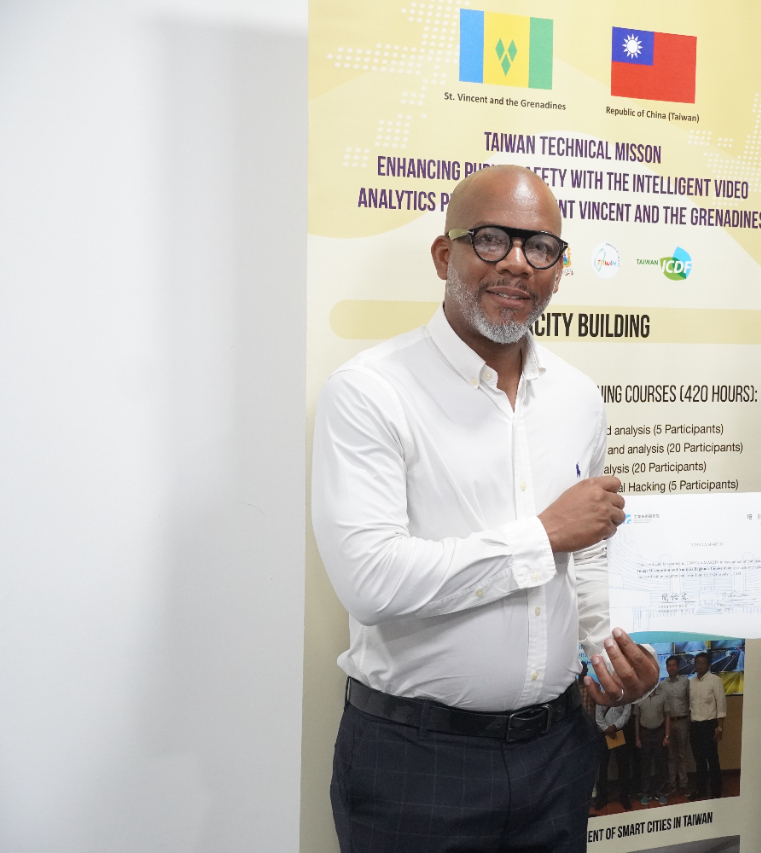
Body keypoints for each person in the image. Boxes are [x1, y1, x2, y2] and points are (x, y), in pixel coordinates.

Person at [312, 164, 660, 853]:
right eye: (493, 240)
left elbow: (588, 554)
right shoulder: (370, 391)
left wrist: (611, 661)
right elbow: (371, 582)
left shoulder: (578, 397)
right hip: (415, 759)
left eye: (541, 247)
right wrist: (542, 535)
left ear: (558, 270)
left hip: (558, 752)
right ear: (446, 255)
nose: (518, 263)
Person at [687, 652, 726, 800]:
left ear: (708, 664)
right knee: (699, 761)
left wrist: (720, 727)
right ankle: (700, 790)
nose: (700, 665)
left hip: (709, 726)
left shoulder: (715, 680)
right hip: (695, 726)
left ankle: (716, 792)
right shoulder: (691, 682)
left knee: (713, 760)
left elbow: (721, 704)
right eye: (697, 662)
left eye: (703, 662)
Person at [633, 681, 671, 805]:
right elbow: (636, 718)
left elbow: (667, 716)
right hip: (644, 734)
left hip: (659, 733)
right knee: (645, 764)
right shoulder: (639, 696)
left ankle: (659, 791)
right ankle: (646, 792)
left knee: (661, 763)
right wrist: (637, 738)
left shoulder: (663, 695)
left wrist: (667, 736)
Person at [661, 655, 693, 795]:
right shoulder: (662, 685)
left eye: (674, 665)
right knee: (670, 756)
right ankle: (672, 783)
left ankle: (684, 784)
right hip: (668, 724)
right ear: (666, 668)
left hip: (682, 722)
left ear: (678, 667)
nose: (671, 667)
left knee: (682, 755)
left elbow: (690, 701)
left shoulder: (685, 682)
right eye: (669, 665)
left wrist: (690, 720)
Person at [594, 702, 633, 810]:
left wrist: (615, 726)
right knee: (603, 767)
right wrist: (606, 729)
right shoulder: (601, 696)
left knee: (623, 766)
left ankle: (624, 797)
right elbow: (598, 716)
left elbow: (626, 713)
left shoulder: (624, 695)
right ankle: (602, 798)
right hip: (605, 734)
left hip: (619, 732)